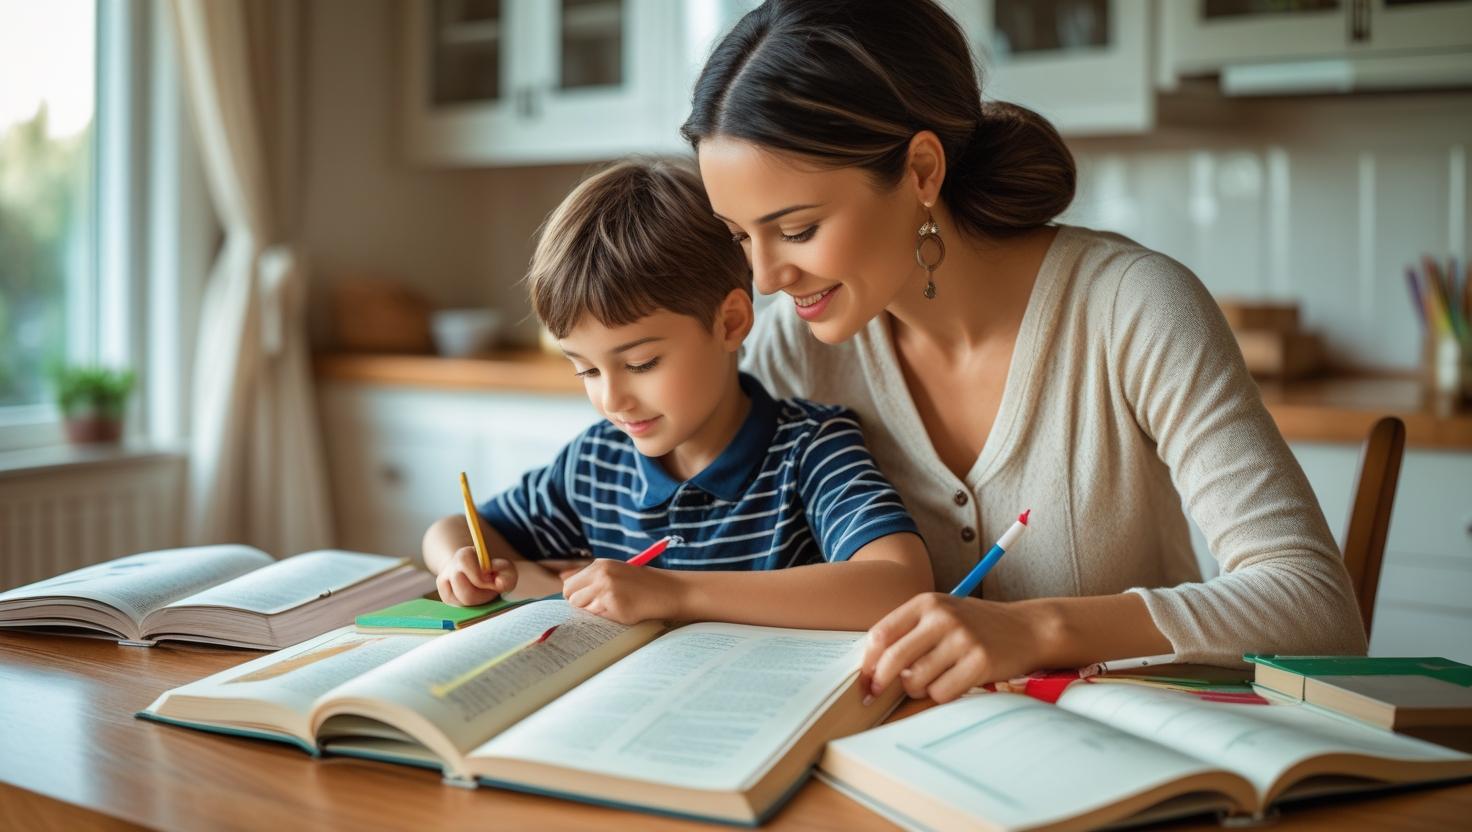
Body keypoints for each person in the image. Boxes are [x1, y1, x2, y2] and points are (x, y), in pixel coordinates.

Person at [681, 0, 1365, 703]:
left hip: (1142, 762)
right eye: (739, 236)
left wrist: (1038, 630)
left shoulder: (1131, 308)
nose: (765, 277)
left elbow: (1317, 609)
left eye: (796, 229)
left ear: (920, 171)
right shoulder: (793, 350)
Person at [421, 159, 933, 629]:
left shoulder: (810, 447)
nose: (613, 400)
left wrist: (676, 593)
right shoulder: (596, 463)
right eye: (586, 372)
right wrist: (460, 565)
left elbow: (900, 584)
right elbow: (453, 530)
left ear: (730, 322)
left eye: (641, 363)